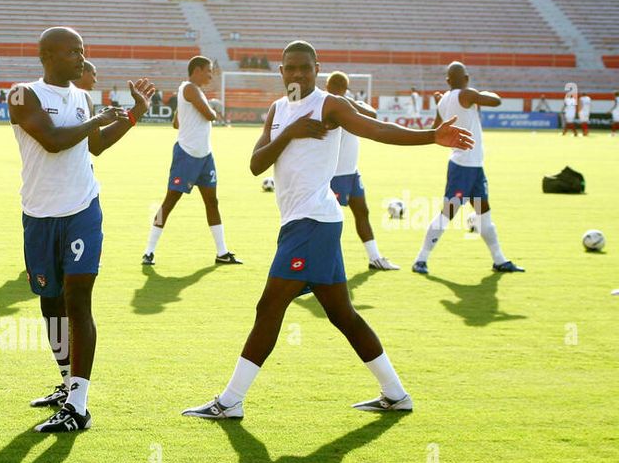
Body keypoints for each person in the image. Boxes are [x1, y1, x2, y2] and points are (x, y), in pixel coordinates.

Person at [182, 41, 473, 421]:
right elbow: (256, 164)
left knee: (268, 307)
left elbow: (376, 129)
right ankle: (396, 394)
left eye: (305, 67)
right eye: (291, 68)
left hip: (313, 224)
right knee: (343, 315)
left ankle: (230, 401)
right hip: (302, 223)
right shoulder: (277, 110)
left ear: (317, 69)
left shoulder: (330, 105)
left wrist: (430, 136)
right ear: (281, 72)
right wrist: (290, 133)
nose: (298, 74)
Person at [9, 26, 155, 432]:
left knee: (78, 300)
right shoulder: (22, 94)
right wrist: (97, 118)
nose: (82, 57)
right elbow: (53, 141)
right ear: (48, 55)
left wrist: (134, 113)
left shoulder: (82, 97)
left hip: (82, 208)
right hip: (39, 213)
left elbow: (97, 145)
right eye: (74, 51)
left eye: (83, 50)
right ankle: (65, 381)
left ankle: (78, 404)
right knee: (49, 301)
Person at [413, 62, 523, 275]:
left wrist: (441, 105)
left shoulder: (443, 100)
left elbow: (436, 129)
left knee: (484, 214)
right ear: (466, 78)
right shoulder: (467, 94)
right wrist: (476, 93)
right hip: (464, 167)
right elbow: (496, 101)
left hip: (471, 166)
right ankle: (421, 259)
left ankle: (499, 260)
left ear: (447, 81)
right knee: (448, 213)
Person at [143, 55, 240, 267]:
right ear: (197, 70)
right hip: (187, 156)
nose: (211, 75)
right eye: (208, 70)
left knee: (212, 202)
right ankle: (148, 251)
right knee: (169, 202)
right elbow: (210, 115)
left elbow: (176, 123)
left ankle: (222, 252)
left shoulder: (189, 91)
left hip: (204, 156)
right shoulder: (190, 89)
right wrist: (214, 108)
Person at [325, 71, 398, 270]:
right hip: (334, 174)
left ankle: (374, 257)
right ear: (345, 87)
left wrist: (346, 100)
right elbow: (372, 115)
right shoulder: (328, 105)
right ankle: (322, 263)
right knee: (328, 221)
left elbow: (372, 114)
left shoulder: (345, 104)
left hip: (351, 171)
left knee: (362, 212)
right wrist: (344, 100)